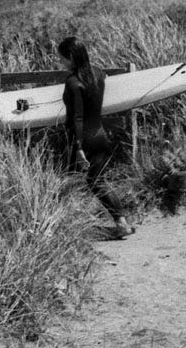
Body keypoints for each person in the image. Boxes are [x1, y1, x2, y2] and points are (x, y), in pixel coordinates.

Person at [58, 36, 135, 239]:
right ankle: (122, 222)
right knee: (96, 180)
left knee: (71, 180)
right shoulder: (98, 73)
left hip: (82, 139)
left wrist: (78, 147)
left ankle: (63, 226)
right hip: (100, 134)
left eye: (62, 58)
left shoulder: (73, 82)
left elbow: (78, 117)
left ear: (71, 57)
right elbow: (103, 81)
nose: (60, 62)